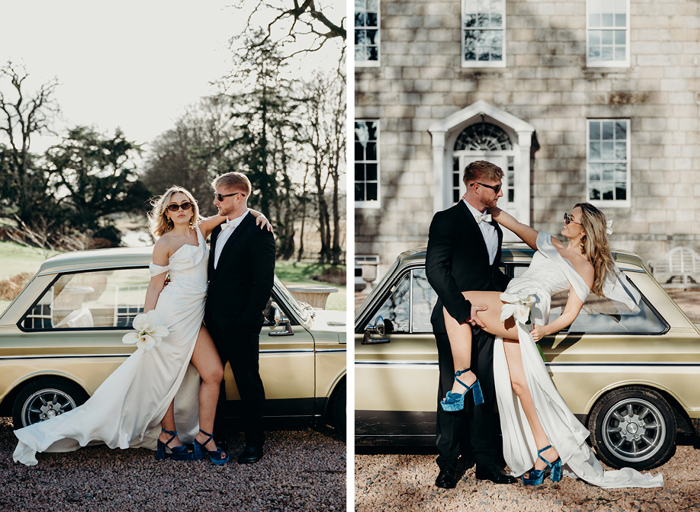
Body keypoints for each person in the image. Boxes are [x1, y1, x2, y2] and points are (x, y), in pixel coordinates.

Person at [12, 185, 271, 466]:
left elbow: (237, 212)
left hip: (196, 317)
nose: (181, 210)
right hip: (170, 316)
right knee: (166, 377)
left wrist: (261, 215)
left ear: (192, 207)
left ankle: (205, 436)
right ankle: (168, 434)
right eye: (174, 207)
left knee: (214, 373)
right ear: (166, 213)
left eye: (185, 204)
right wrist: (148, 323)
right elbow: (155, 286)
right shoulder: (164, 243)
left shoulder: (203, 229)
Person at [441, 200, 663, 488]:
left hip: (528, 306)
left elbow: (570, 312)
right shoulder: (549, 243)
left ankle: (463, 375)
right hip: (514, 299)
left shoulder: (584, 266)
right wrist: (486, 205)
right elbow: (517, 225)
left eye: (571, 218)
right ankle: (546, 449)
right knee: (519, 384)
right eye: (566, 216)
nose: (565, 220)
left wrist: (545, 329)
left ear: (585, 231)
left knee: (453, 301)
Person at [425, 160, 515, 489]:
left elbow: (490, 275)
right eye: (495, 187)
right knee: (454, 389)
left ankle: (486, 462)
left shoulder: (495, 227)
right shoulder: (446, 220)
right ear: (475, 186)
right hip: (454, 318)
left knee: (485, 391)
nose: (500, 193)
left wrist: (514, 297)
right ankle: (448, 464)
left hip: (488, 321)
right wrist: (462, 310)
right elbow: (435, 270)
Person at [205, 172, 275, 465]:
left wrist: (248, 320)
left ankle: (254, 444)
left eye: (220, 196)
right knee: (213, 379)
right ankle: (217, 436)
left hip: (241, 324)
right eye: (216, 196)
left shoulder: (259, 231)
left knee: (248, 383)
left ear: (240, 196)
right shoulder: (219, 229)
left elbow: (263, 282)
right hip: (212, 322)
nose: (215, 201)